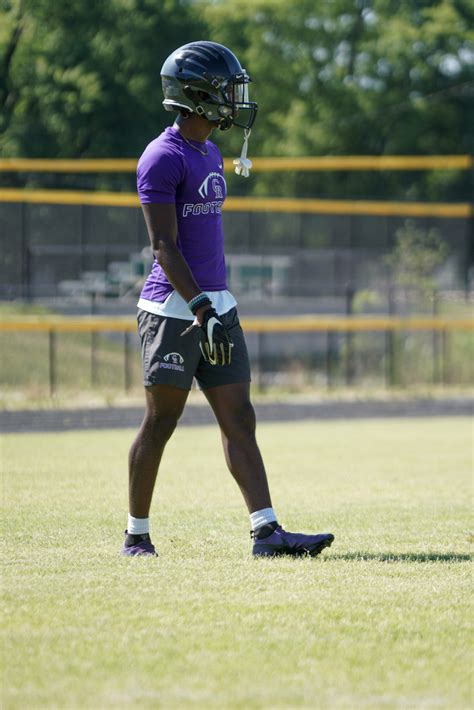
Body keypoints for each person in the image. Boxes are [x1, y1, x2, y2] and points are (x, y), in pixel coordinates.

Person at [123, 41, 334, 558]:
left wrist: (216, 305)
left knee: (239, 417)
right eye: (225, 86)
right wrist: (200, 308)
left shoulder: (211, 150)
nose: (234, 97)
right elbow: (163, 248)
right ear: (197, 93)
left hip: (216, 301)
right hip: (175, 309)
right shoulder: (161, 157)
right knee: (162, 422)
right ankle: (136, 534)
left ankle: (267, 532)